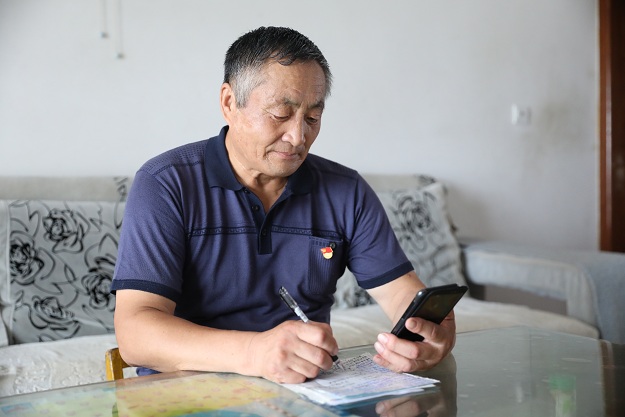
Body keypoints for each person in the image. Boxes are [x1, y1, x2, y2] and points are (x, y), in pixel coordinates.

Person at [111, 26, 457, 384]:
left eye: (312, 118)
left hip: (305, 394)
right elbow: (135, 334)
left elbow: (400, 294)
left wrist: (427, 334)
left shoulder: (346, 190)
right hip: (186, 395)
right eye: (280, 114)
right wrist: (255, 353)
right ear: (229, 103)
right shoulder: (165, 184)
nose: (298, 137)